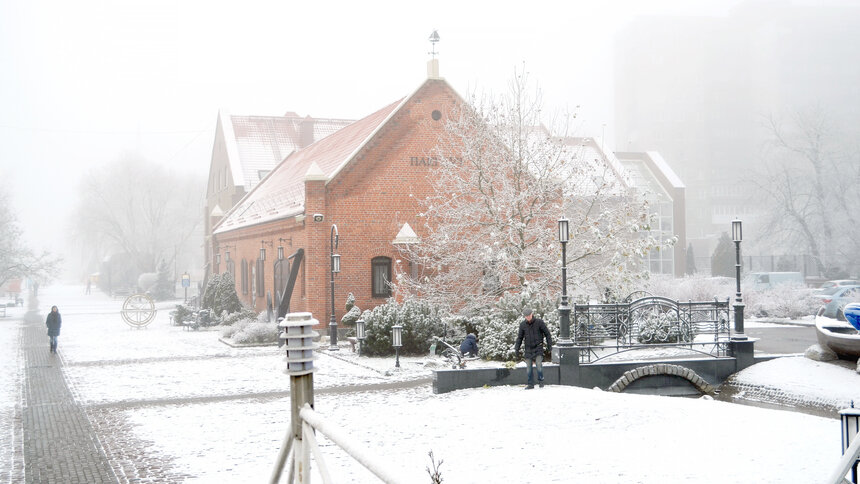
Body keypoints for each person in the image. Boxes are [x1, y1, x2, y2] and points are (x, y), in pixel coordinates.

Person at [514, 308, 552, 389]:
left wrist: (549, 345)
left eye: (529, 315)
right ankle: (530, 384)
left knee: (538, 364)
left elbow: (547, 334)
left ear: (532, 314)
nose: (528, 317)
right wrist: (516, 349)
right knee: (528, 367)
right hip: (528, 348)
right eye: (526, 316)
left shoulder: (539, 322)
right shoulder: (523, 325)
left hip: (538, 347)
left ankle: (541, 381)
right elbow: (520, 338)